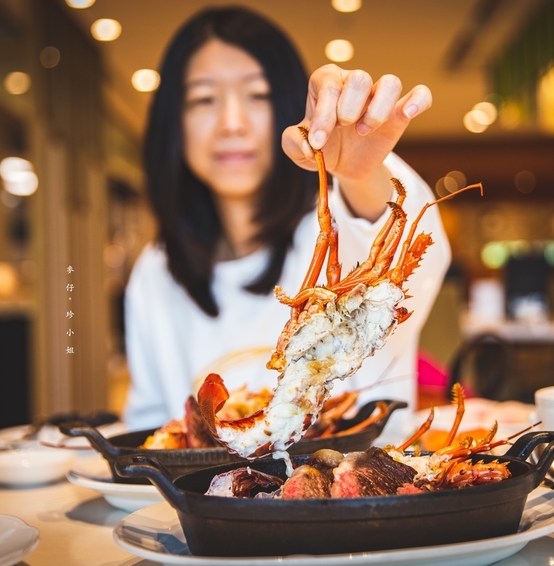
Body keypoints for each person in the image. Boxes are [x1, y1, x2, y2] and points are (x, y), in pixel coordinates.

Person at [123, 6, 450, 434]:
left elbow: (415, 244)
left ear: (289, 107)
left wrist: (359, 172)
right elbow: (148, 430)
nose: (232, 123)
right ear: (174, 123)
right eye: (204, 99)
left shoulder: (337, 223)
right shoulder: (156, 271)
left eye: (257, 95)